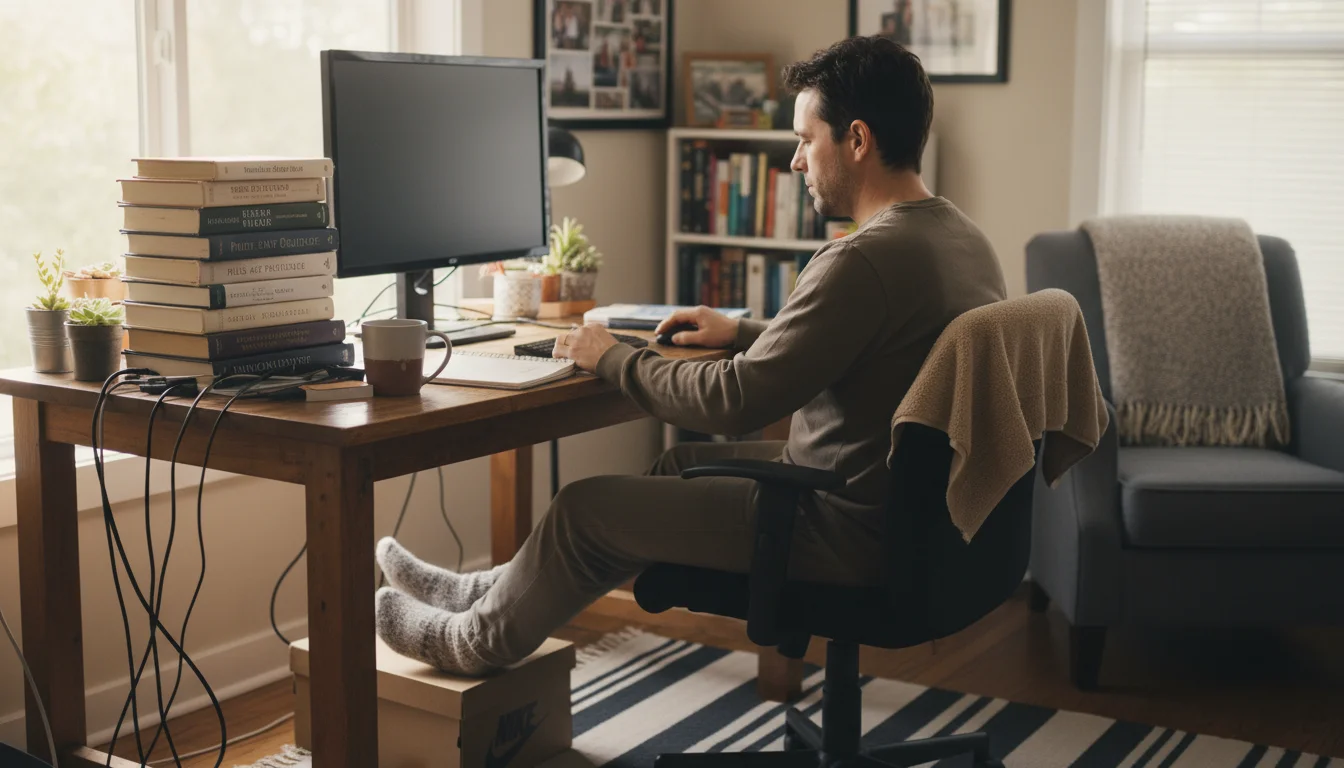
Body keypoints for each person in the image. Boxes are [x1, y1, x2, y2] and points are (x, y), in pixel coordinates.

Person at [373, 35, 1007, 675]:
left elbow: (736, 402)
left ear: (859, 141)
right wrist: (740, 332)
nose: (795, 162)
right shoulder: (958, 236)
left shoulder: (862, 257)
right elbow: (875, 345)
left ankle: (472, 642)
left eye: (805, 140)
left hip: (838, 525)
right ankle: (485, 595)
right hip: (905, 514)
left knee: (583, 510)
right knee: (675, 464)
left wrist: (613, 356)